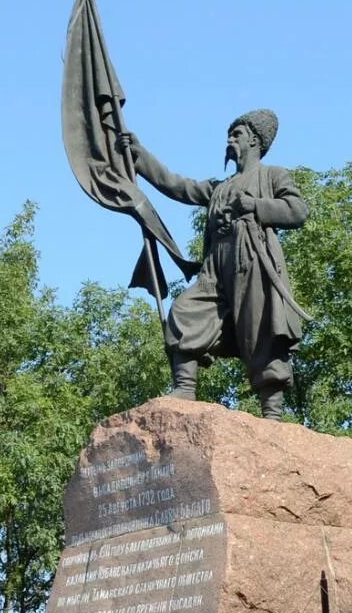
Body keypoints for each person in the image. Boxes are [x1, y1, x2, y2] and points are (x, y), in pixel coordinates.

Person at [119, 111, 308, 418]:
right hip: (214, 267)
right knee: (185, 311)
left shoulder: (273, 175)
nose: (229, 140)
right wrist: (140, 156)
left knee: (261, 330)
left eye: (237, 134)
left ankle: (271, 412)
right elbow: (178, 185)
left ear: (255, 141)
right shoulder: (219, 187)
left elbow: (298, 210)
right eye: (229, 135)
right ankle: (185, 388)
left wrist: (257, 206)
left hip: (252, 263)